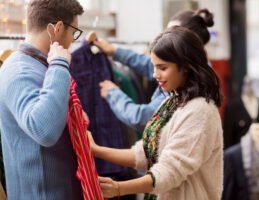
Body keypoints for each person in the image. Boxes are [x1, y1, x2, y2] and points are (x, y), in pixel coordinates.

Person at [89, 26, 223, 200]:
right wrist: (97, 150)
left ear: (186, 67)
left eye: (162, 68)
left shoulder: (200, 112)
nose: (155, 75)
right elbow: (146, 152)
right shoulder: (171, 102)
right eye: (154, 67)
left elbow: (169, 172)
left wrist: (118, 188)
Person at [0, 0, 84, 199]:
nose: (73, 41)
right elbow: (44, 130)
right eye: (74, 32)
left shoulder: (37, 65)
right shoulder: (20, 71)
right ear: (58, 28)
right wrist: (59, 64)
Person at [94, 9, 214, 131]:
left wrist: (113, 94)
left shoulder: (186, 90)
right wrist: (115, 52)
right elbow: (148, 64)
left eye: (172, 33)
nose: (155, 74)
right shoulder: (192, 71)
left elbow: (143, 118)